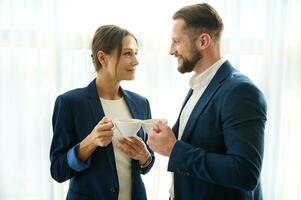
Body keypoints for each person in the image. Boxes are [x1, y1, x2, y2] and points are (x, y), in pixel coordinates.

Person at [147, 3, 267, 200]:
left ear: (203, 41)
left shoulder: (241, 92)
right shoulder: (199, 85)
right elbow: (191, 140)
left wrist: (174, 149)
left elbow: (245, 173)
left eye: (177, 41)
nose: (171, 50)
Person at [50, 25, 154, 200]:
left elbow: (146, 163)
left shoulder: (141, 103)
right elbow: (58, 170)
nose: (136, 61)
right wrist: (90, 142)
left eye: (136, 53)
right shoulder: (70, 103)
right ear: (102, 57)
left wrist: (145, 156)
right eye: (128, 53)